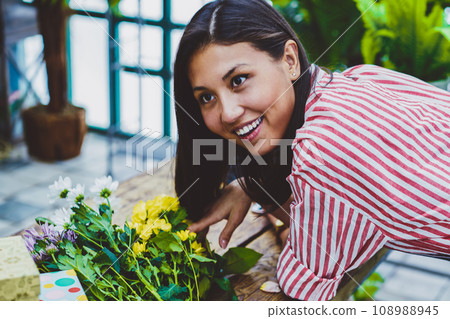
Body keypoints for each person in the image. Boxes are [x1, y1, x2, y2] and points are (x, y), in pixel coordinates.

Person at [173, 0, 450, 301]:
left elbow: (305, 286)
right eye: (206, 98)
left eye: (238, 80)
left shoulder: (320, 155)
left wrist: (262, 194)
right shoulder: (360, 79)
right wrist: (254, 188)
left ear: (290, 60)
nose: (227, 113)